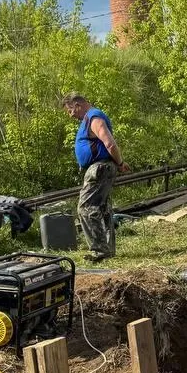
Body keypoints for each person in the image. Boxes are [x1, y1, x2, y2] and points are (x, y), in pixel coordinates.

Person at [63, 93, 129, 259]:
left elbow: (109, 143)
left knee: (85, 208)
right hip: (102, 167)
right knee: (103, 208)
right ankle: (107, 249)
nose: (71, 115)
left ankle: (99, 250)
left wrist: (120, 163)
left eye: (70, 110)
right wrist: (118, 163)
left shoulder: (93, 117)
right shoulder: (90, 118)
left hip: (100, 167)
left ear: (78, 104)